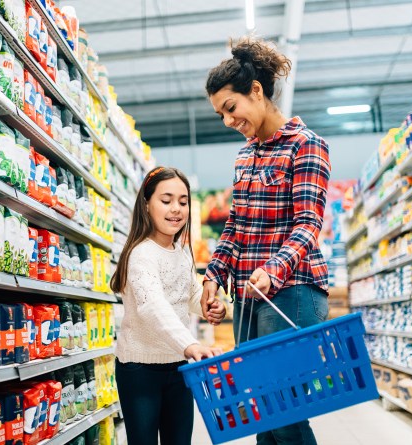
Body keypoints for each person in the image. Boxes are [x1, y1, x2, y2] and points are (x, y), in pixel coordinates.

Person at [201, 36, 332, 445]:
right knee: (260, 412)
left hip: (292, 291)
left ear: (255, 91)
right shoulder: (245, 156)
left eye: (230, 108)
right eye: (221, 113)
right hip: (250, 297)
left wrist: (273, 269)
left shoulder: (306, 145)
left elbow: (308, 224)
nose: (228, 121)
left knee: (286, 412)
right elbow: (236, 226)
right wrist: (212, 276)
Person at [111, 166, 227, 445]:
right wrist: (190, 345)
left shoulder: (181, 251)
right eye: (166, 200)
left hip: (178, 367)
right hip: (140, 369)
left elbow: (187, 294)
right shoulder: (141, 255)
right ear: (147, 204)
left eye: (183, 202)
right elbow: (153, 306)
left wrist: (210, 306)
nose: (176, 209)